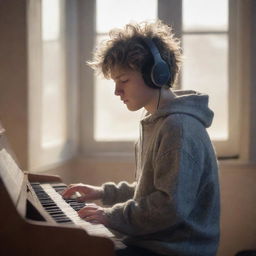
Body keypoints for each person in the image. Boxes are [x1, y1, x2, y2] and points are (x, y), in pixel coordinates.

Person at [62, 20, 220, 256]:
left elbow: (169, 206)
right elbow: (153, 190)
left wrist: (109, 215)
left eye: (123, 80)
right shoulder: (158, 121)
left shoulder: (178, 127)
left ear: (156, 74)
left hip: (174, 251)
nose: (117, 91)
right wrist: (104, 193)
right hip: (155, 243)